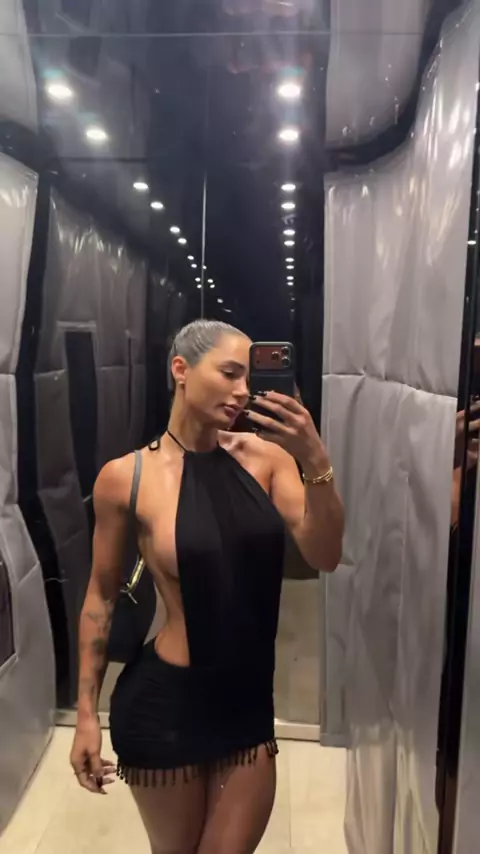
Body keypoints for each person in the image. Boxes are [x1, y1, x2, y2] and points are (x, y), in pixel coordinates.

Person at [70, 319, 344, 854]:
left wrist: (315, 459)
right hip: (164, 705)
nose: (242, 391)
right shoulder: (126, 477)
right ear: (181, 369)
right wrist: (85, 715)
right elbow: (100, 598)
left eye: (249, 378)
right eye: (229, 373)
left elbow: (325, 554)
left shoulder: (268, 459)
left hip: (247, 704)